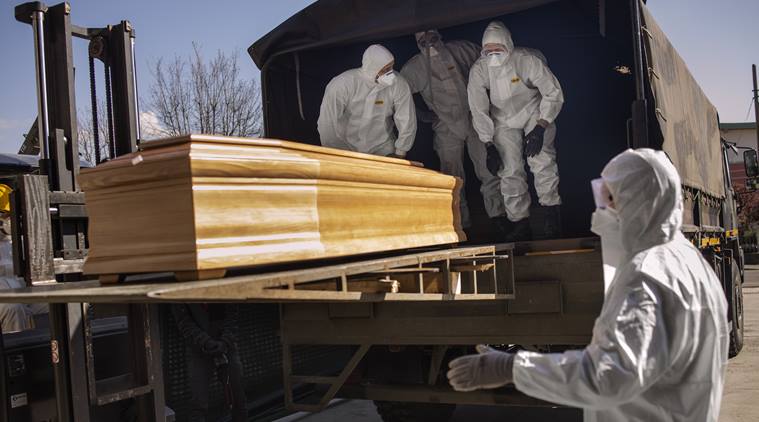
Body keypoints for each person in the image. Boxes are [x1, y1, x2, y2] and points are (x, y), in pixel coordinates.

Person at [447, 148, 730, 422]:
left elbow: (609, 376)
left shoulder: (646, 277)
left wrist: (511, 367)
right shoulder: (689, 261)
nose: (601, 212)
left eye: (610, 198)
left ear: (637, 201)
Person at [467, 21, 564, 240]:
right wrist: (488, 144)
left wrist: (541, 126)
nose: (492, 55)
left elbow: (553, 93)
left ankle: (552, 217)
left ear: (508, 46)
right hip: (502, 118)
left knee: (541, 161)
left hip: (534, 111)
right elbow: (478, 109)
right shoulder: (479, 70)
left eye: (497, 50)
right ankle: (519, 223)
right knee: (509, 170)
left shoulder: (526, 60)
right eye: (488, 51)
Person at [400, 30, 505, 228]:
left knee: (488, 169)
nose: (429, 44)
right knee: (452, 176)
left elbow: (487, 64)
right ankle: (459, 225)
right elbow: (399, 93)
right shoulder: (415, 67)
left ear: (440, 36)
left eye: (433, 38)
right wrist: (422, 114)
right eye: (423, 41)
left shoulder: (462, 50)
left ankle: (498, 217)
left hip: (474, 117)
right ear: (417, 43)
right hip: (445, 123)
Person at [318, 44, 416, 158]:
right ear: (373, 68)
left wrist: (401, 152)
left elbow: (407, 119)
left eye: (392, 67)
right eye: (386, 69)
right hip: (346, 148)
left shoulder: (399, 84)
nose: (391, 74)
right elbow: (327, 123)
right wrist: (335, 152)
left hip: (382, 148)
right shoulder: (343, 84)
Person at [171, 304, 247, 422]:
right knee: (198, 402)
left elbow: (234, 312)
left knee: (237, 396)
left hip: (226, 344)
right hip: (198, 348)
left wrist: (225, 341)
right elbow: (183, 320)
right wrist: (205, 342)